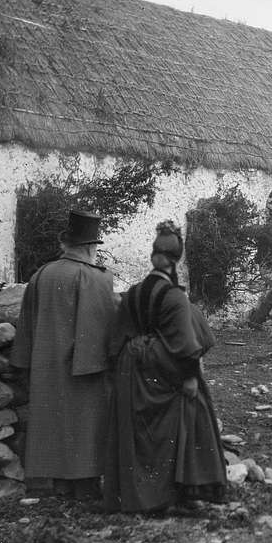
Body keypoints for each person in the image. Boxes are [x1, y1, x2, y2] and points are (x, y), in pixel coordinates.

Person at [105, 220, 228, 513]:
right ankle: (183, 491)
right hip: (165, 367)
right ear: (176, 260)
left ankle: (137, 495)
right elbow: (185, 345)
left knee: (141, 433)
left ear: (152, 257)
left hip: (133, 371)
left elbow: (117, 339)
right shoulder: (174, 297)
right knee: (195, 410)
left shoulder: (133, 292)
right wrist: (190, 378)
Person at [11, 209, 119, 499]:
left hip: (45, 365)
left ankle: (51, 482)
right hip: (84, 368)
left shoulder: (41, 275)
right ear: (89, 248)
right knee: (85, 424)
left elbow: (26, 326)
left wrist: (23, 362)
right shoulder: (97, 278)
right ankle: (83, 483)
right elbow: (107, 326)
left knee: (50, 422)